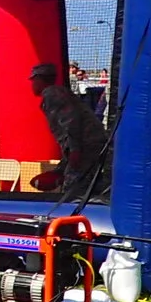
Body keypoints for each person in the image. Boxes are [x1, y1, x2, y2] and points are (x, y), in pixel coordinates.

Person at [31, 62, 104, 202]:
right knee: (87, 182)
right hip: (90, 144)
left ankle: (74, 211)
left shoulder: (52, 94)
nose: (32, 85)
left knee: (73, 190)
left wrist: (75, 150)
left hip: (85, 145)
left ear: (39, 79)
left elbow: (71, 122)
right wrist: (61, 168)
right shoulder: (59, 93)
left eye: (34, 80)